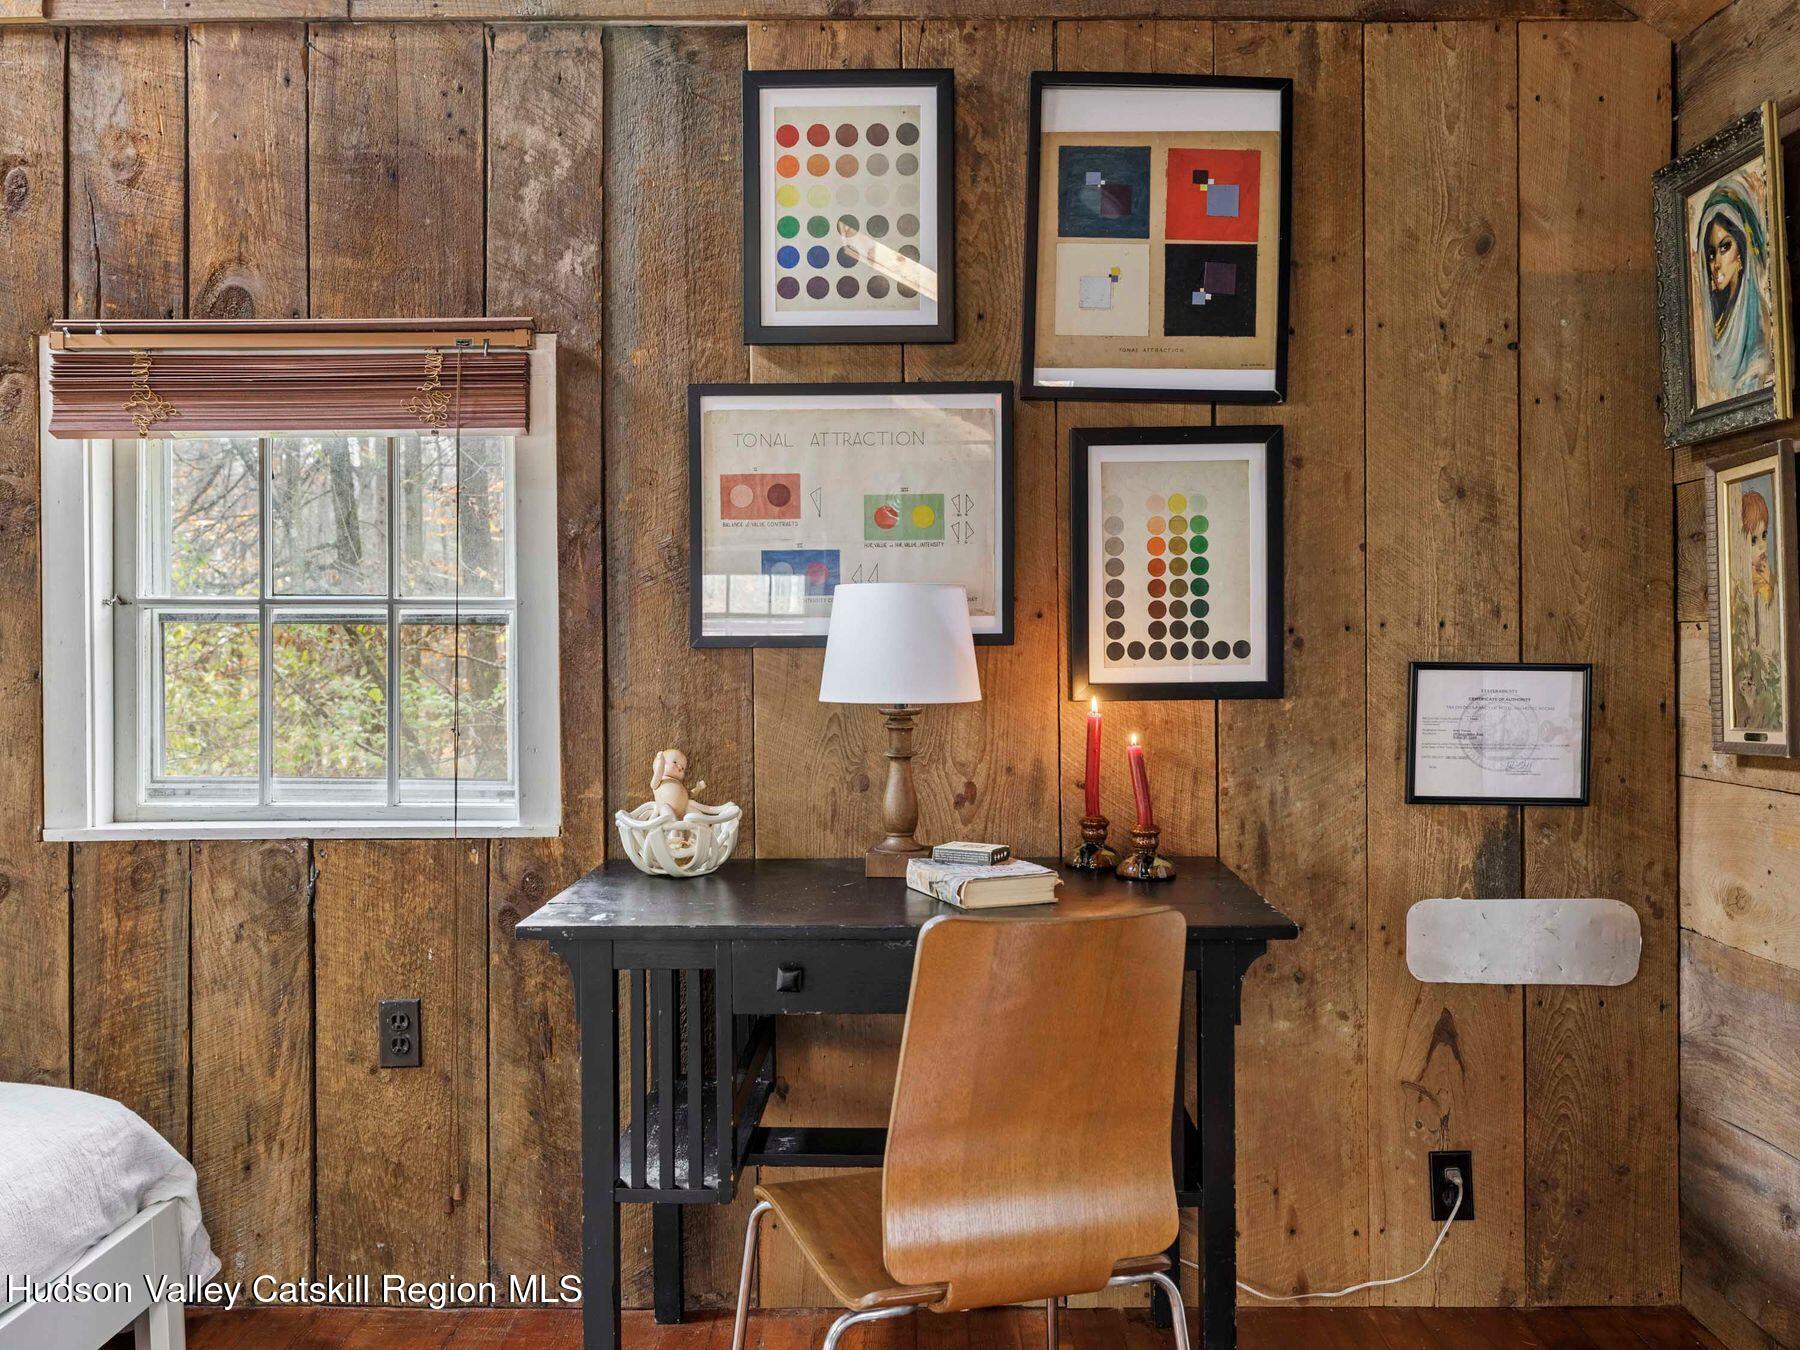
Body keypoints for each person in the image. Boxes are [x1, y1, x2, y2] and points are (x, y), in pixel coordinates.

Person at [1695, 183, 1775, 405]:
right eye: (1711, 253)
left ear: (1740, 252)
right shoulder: (1714, 318)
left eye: (1725, 247)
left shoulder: (1756, 325)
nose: (1716, 264)